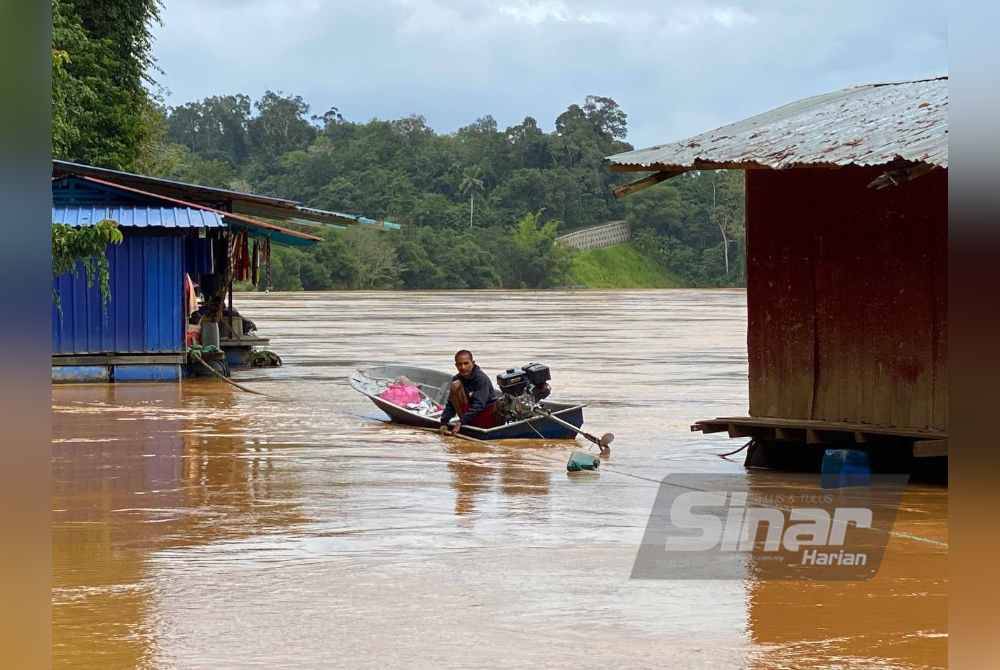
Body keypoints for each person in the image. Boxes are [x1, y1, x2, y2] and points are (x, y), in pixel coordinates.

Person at [439, 350, 499, 434]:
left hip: (487, 417)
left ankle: (468, 424)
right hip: (469, 417)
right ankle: (467, 423)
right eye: (460, 364)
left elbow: (479, 405)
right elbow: (451, 403)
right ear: (456, 365)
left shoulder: (481, 378)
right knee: (455, 385)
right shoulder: (457, 378)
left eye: (466, 363)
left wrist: (461, 422)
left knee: (456, 385)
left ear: (473, 363)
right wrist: (444, 422)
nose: (463, 367)